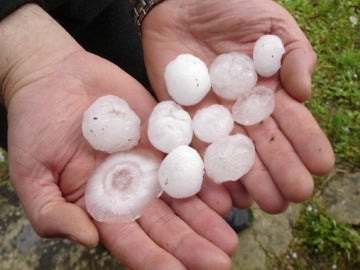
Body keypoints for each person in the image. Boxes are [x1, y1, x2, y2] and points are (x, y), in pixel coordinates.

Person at [0, 0, 335, 269]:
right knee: (111, 193)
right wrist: (20, 59)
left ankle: (217, 201)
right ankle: (140, 223)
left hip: (122, 22)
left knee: (146, 86)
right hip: (36, 76)